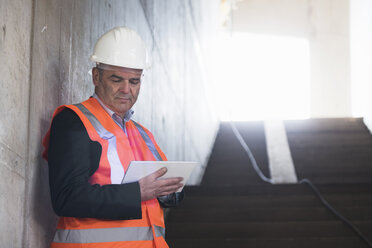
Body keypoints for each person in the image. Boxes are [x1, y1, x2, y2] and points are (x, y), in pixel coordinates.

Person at [42, 26, 184, 248]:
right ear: (96, 77)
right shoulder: (75, 120)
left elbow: (165, 190)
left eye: (134, 81)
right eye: (117, 79)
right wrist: (137, 192)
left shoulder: (143, 134)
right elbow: (67, 198)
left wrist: (169, 192)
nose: (126, 89)